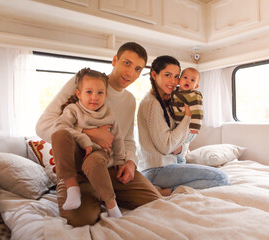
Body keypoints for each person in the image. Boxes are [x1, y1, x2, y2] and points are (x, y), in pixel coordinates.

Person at [36, 42, 161, 227]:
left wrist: (130, 162)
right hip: (78, 169)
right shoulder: (85, 82)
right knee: (81, 220)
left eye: (137, 69)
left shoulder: (129, 100)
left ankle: (108, 195)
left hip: (111, 168)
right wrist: (89, 134)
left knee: (156, 202)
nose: (130, 73)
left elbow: (127, 140)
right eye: (126, 63)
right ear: (115, 60)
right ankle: (90, 195)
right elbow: (43, 126)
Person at [137, 55, 229, 196]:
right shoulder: (151, 103)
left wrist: (180, 149)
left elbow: (178, 144)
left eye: (176, 76)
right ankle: (165, 192)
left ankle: (168, 188)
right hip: (156, 170)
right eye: (168, 75)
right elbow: (167, 146)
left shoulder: (168, 101)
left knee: (216, 176)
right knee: (220, 178)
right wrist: (187, 117)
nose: (173, 81)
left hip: (167, 165)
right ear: (154, 75)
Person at [53, 68, 124, 218]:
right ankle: (72, 188)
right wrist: (83, 138)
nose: (95, 97)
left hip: (98, 152)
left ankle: (112, 206)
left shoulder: (109, 114)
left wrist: (120, 159)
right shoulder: (73, 110)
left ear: (106, 94)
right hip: (75, 153)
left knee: (94, 162)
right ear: (79, 93)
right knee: (59, 135)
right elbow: (60, 127)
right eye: (89, 92)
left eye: (100, 93)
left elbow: (117, 138)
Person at [170, 67, 203, 163]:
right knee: (177, 144)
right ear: (179, 79)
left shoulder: (194, 95)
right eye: (185, 77)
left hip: (190, 127)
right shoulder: (174, 92)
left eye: (192, 80)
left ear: (196, 86)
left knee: (180, 146)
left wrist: (195, 127)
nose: (188, 81)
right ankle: (184, 153)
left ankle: (182, 161)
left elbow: (198, 111)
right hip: (178, 124)